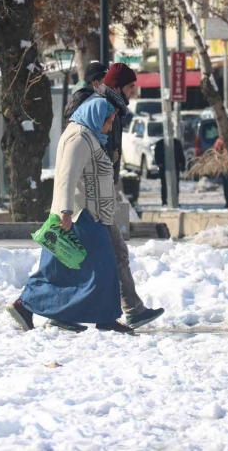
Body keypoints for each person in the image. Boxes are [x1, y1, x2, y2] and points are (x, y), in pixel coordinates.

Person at [6, 98, 131, 333]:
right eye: (109, 121)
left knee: (66, 270)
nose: (109, 127)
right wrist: (65, 211)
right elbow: (67, 175)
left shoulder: (88, 135)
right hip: (80, 216)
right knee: (103, 266)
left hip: (88, 214)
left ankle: (37, 308)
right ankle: (28, 305)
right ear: (97, 116)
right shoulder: (79, 138)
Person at [65, 62, 165, 329]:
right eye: (132, 86)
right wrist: (66, 208)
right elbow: (76, 164)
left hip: (99, 198)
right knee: (98, 257)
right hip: (88, 204)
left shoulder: (111, 106)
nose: (135, 92)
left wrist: (109, 161)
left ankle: (121, 311)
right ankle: (58, 312)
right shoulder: (93, 108)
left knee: (103, 256)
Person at [63, 61, 108, 127]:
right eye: (104, 81)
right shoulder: (83, 97)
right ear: (94, 82)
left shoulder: (88, 95)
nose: (106, 84)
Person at [153, 137, 186, 206]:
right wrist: (159, 163)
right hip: (164, 168)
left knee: (175, 184)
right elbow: (156, 156)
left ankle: (175, 200)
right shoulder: (160, 143)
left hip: (175, 167)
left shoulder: (176, 143)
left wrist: (183, 165)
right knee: (164, 184)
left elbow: (181, 155)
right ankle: (164, 201)